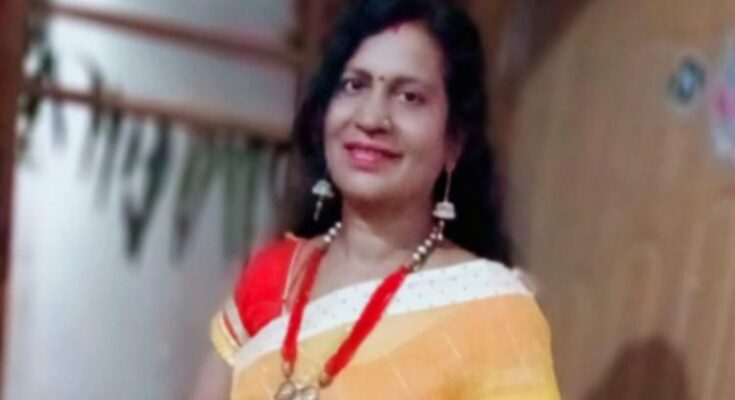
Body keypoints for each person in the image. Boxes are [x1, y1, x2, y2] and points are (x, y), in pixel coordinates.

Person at [205, 0, 561, 398]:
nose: (371, 118)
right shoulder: (271, 280)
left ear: (454, 141)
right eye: (354, 85)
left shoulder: (493, 311)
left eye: (409, 97)